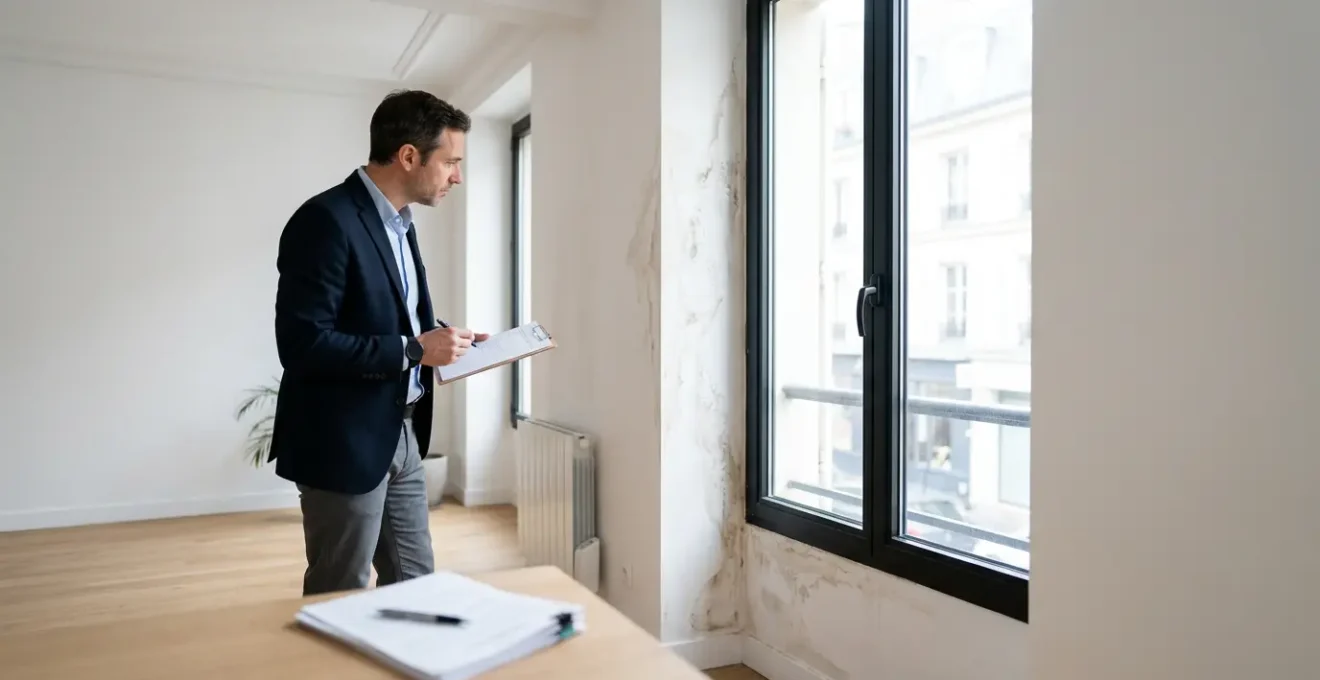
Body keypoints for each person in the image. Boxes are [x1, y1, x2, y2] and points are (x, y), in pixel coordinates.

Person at [269, 90, 487, 596]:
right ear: (409, 155)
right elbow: (303, 345)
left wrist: (452, 339)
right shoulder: (324, 220)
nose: (457, 176)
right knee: (339, 590)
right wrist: (414, 351)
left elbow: (394, 317)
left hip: (404, 435)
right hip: (343, 439)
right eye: (451, 162)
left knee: (416, 585)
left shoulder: (401, 224)